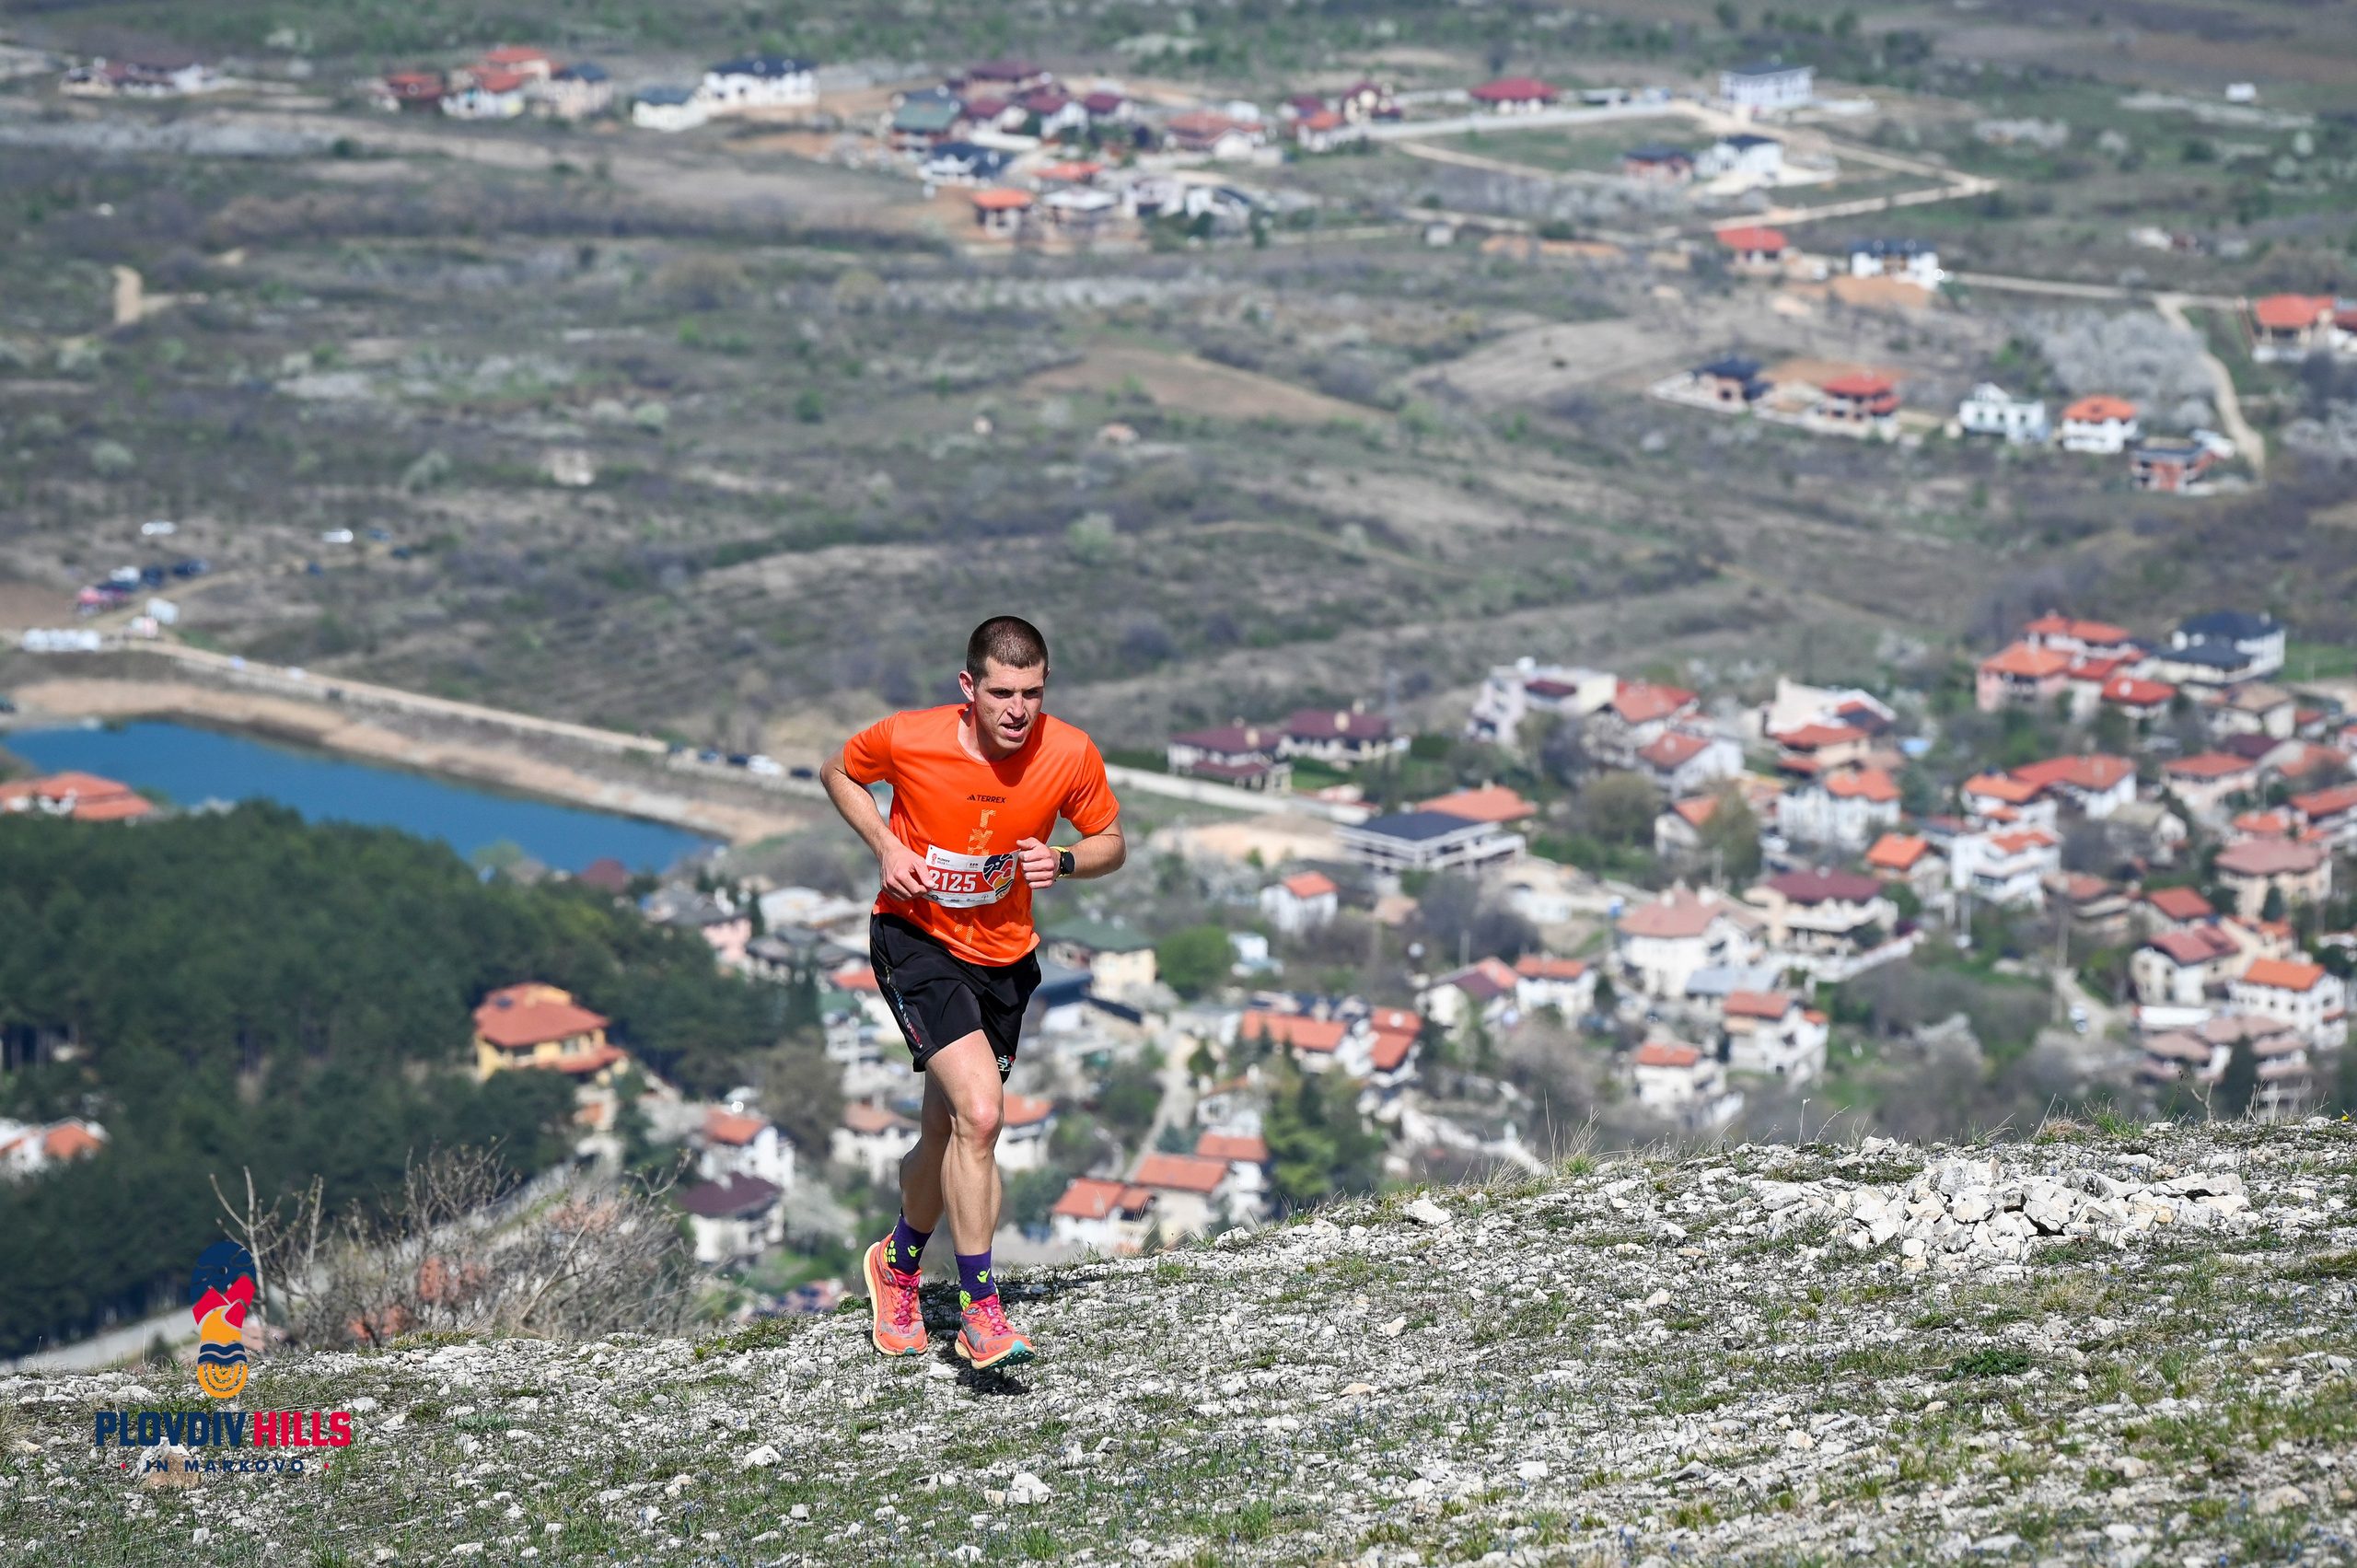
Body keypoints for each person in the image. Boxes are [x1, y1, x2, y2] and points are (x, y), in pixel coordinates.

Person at [819, 616, 1124, 1369]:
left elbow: (1112, 841)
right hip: (917, 941)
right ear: (969, 689)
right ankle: (981, 1311)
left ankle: (897, 1263)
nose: (1018, 710)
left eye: (1032, 693)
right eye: (1001, 693)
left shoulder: (1069, 751)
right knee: (984, 1116)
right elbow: (839, 772)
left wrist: (1066, 859)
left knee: (948, 1131)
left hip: (1005, 960)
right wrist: (888, 845)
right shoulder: (911, 737)